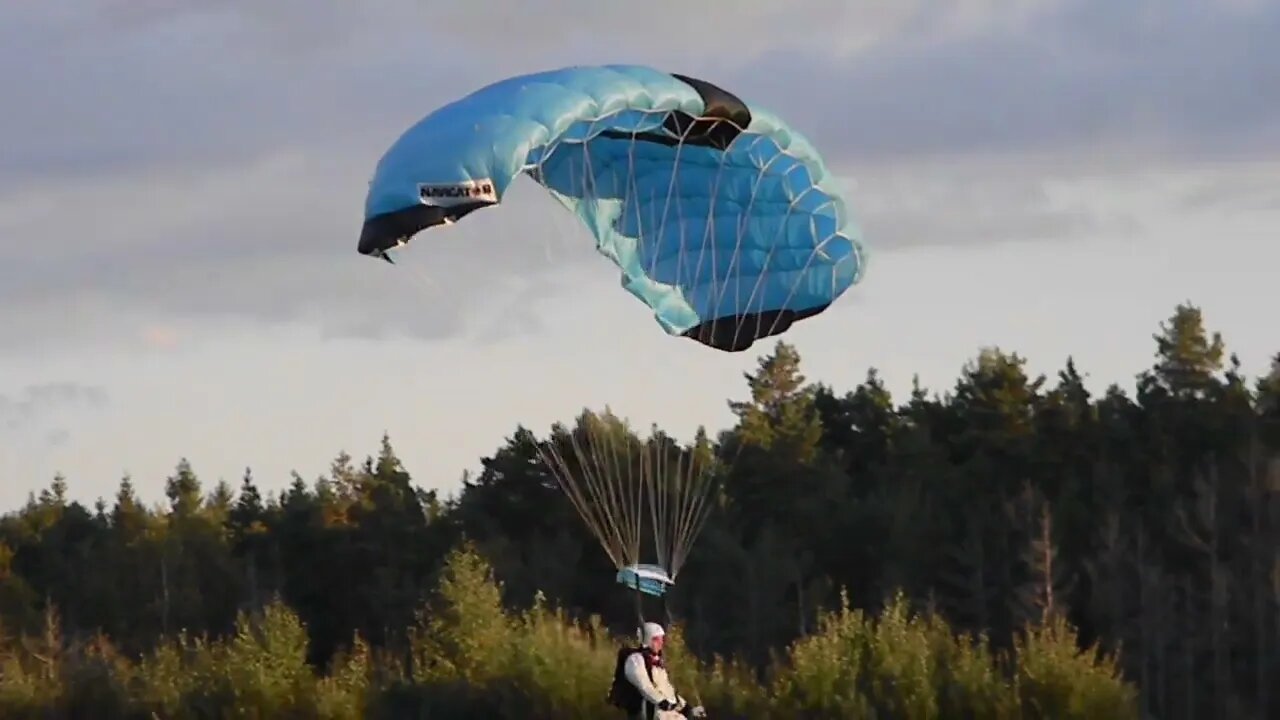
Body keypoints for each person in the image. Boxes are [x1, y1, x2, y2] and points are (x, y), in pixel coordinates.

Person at [609, 621, 705, 719]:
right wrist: (662, 702)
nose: (661, 643)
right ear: (649, 640)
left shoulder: (657, 662)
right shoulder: (635, 660)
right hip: (649, 713)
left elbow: (667, 690)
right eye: (657, 639)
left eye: (662, 639)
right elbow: (644, 686)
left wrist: (687, 709)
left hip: (662, 712)